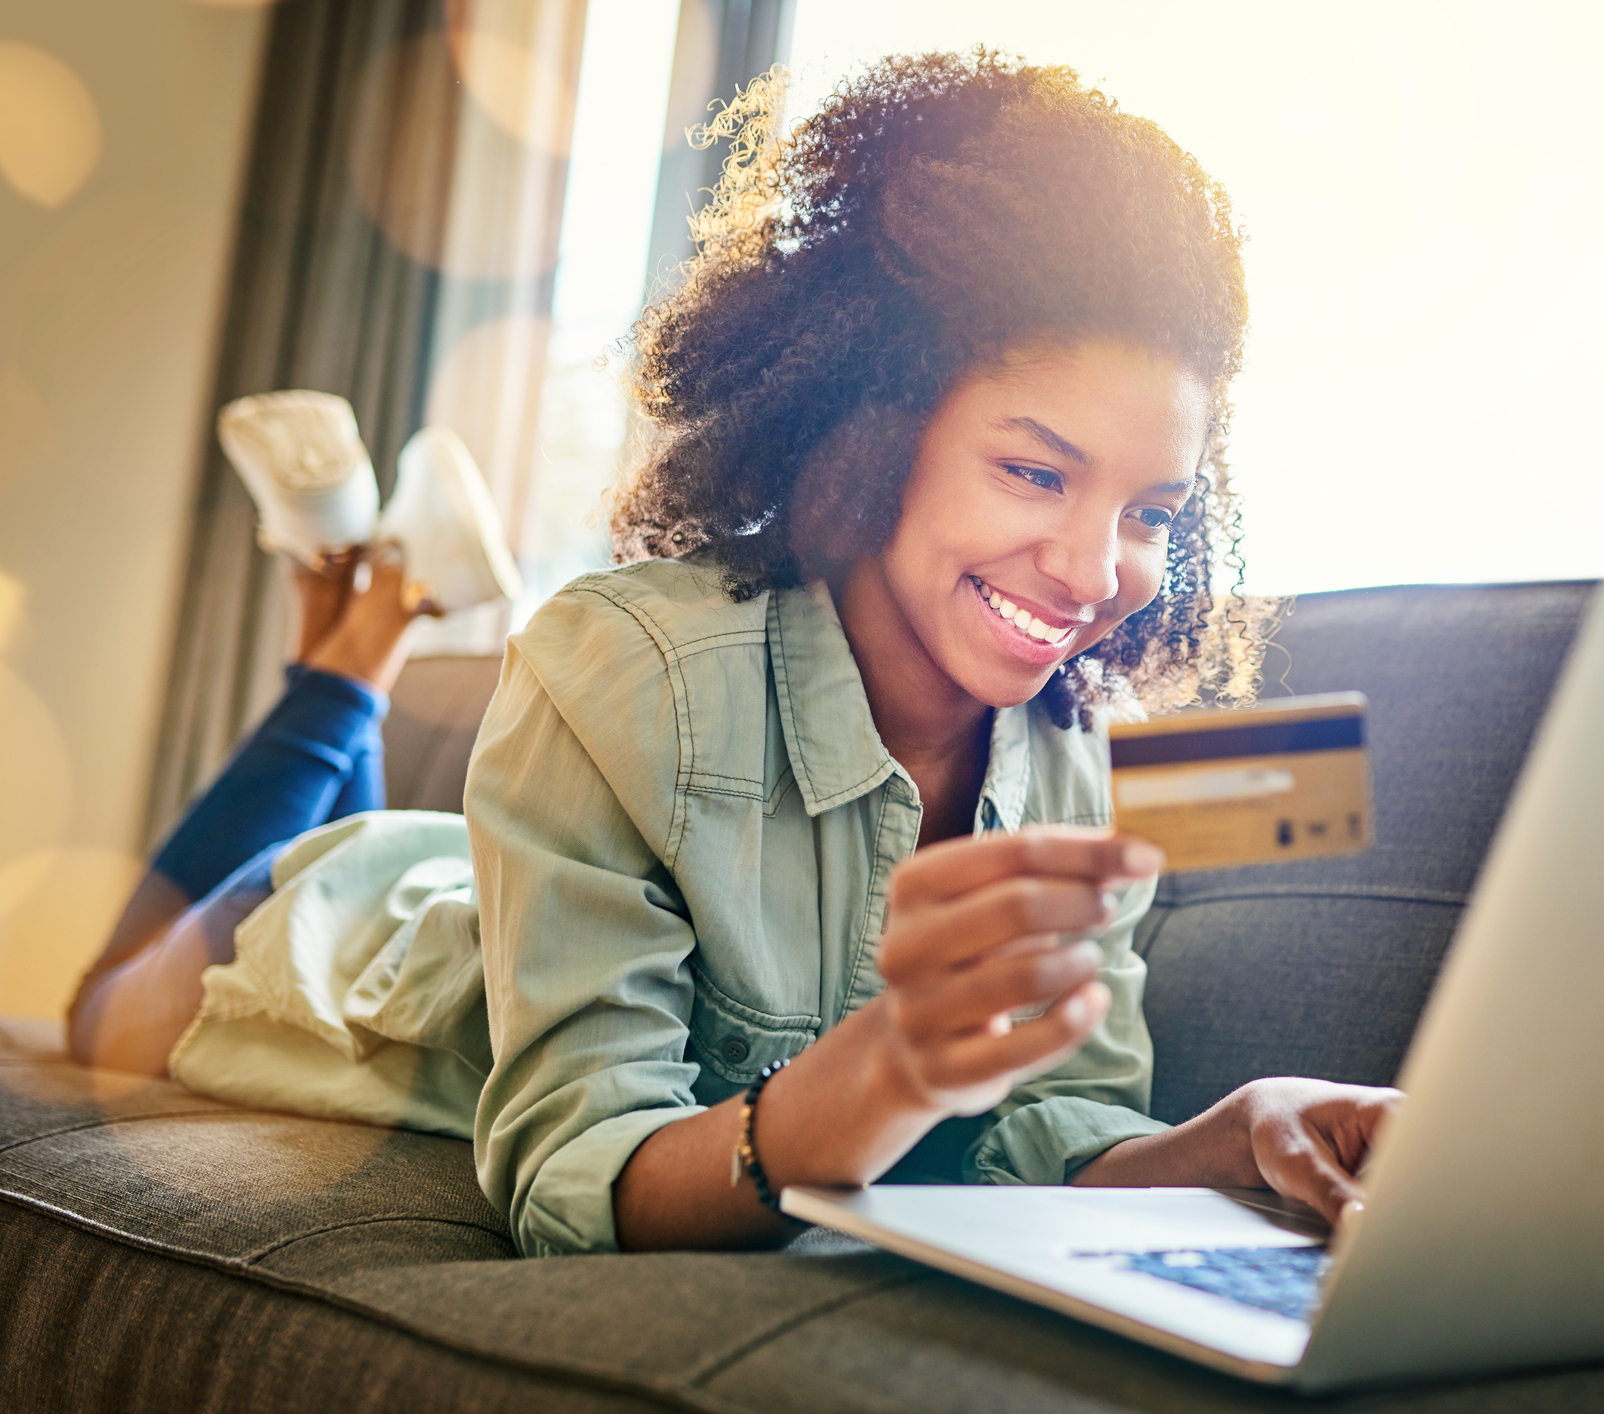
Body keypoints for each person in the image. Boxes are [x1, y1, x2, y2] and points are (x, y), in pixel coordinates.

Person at [69, 52, 1397, 1258]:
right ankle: (350, 651)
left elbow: (1044, 1131)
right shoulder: (623, 664)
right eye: (1035, 469)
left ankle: (366, 606)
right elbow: (570, 1174)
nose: (1098, 570)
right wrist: (883, 1069)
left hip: (506, 881)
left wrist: (1225, 1136)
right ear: (869, 422)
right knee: (98, 1014)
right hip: (336, 949)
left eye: (1150, 513)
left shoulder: (1067, 756)